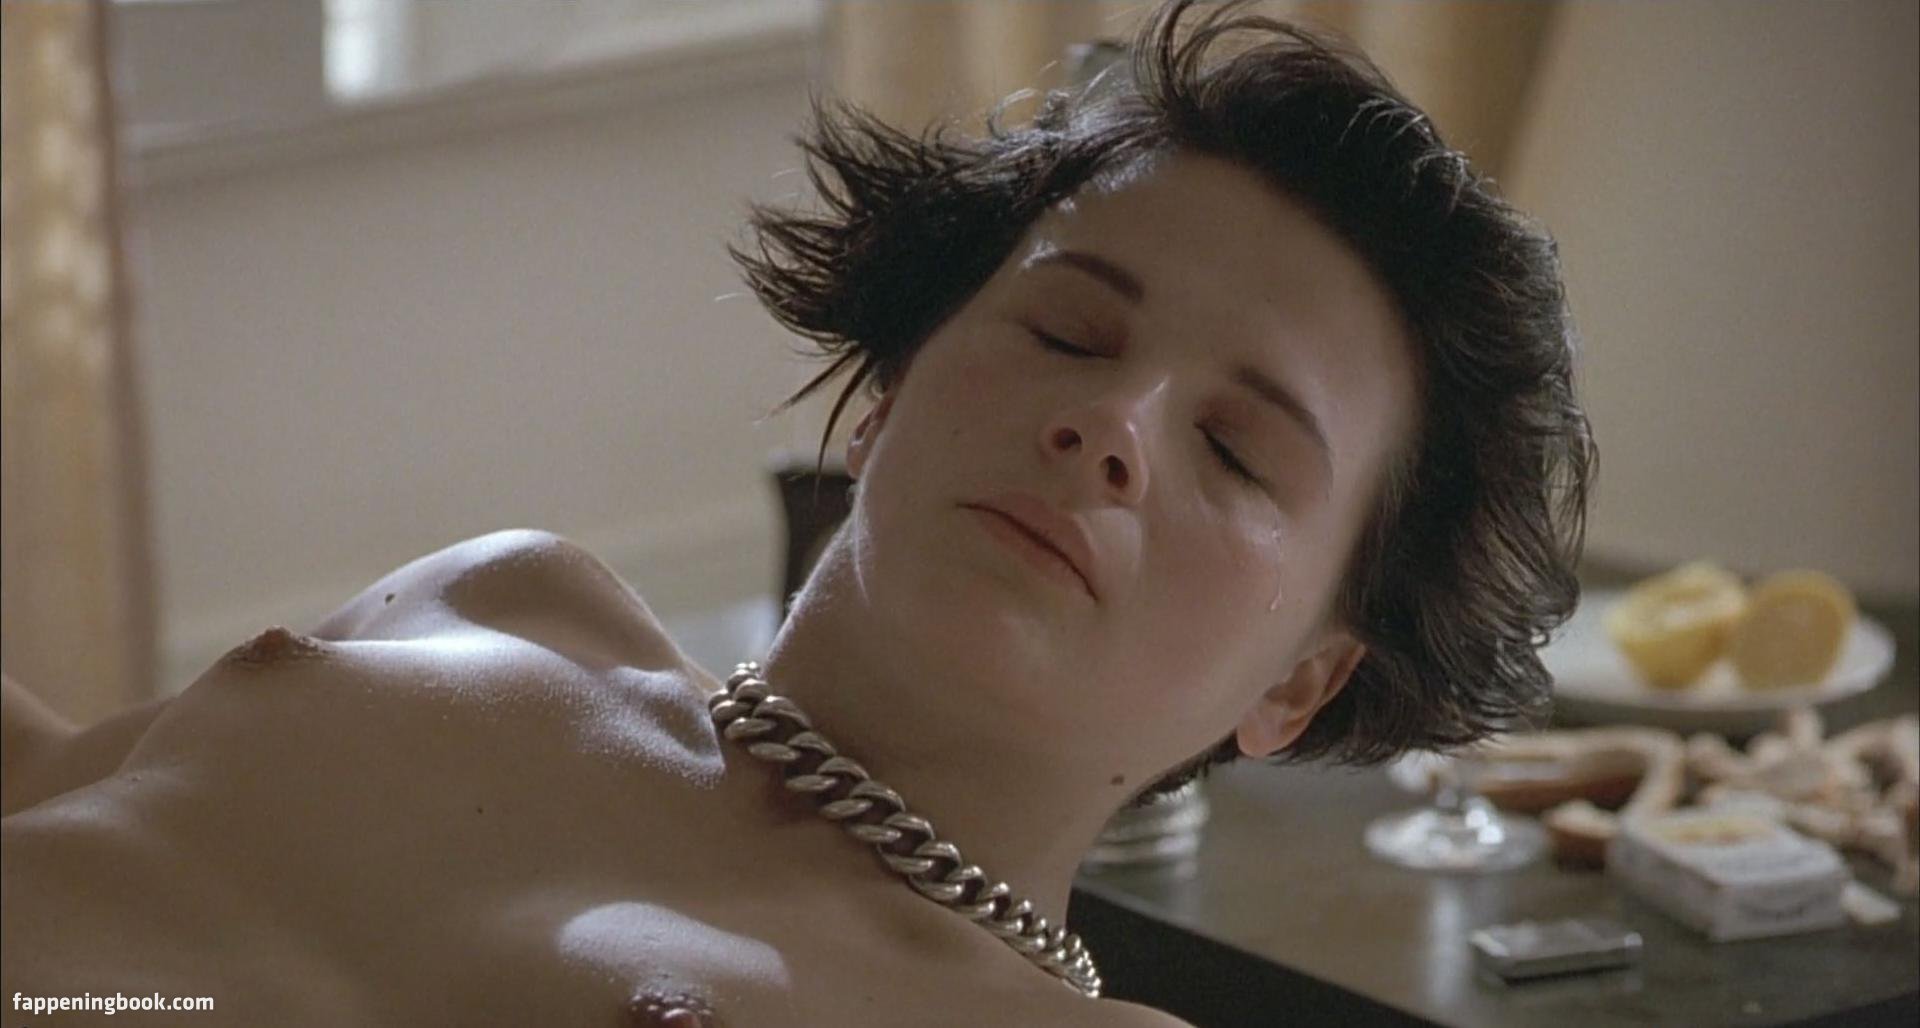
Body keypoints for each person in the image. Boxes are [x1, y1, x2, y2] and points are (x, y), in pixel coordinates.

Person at [1, 1, 1594, 1024]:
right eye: (1067, 332)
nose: (1111, 426)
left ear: (1302, 682)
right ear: (886, 395)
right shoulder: (502, 600)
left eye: (1236, 454)